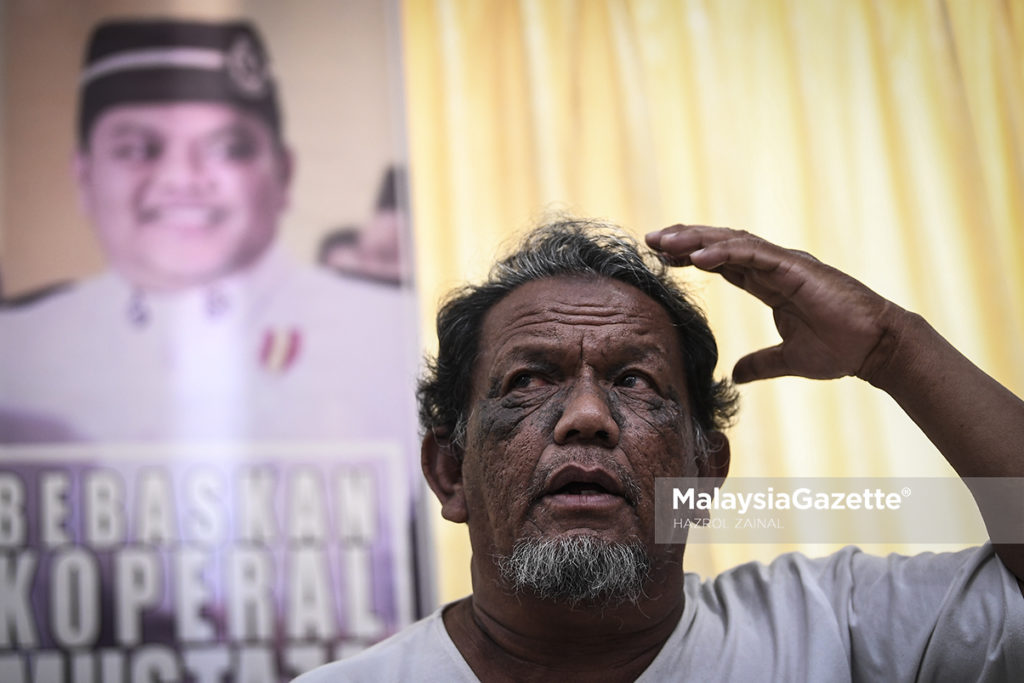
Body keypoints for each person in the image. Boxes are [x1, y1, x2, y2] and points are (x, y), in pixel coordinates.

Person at [295, 218, 1024, 681]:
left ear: (703, 475)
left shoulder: (837, 632)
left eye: (635, 381)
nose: (586, 415)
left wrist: (892, 344)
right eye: (528, 380)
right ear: (450, 472)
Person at [0, 19, 418, 443]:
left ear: (284, 174)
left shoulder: (397, 335)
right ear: (84, 176)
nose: (182, 179)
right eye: (136, 150)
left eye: (227, 150)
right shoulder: (17, 346)